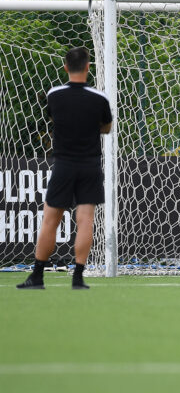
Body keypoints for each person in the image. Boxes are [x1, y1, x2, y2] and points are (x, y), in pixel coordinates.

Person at [17, 46, 113, 290]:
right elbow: (107, 128)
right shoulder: (99, 98)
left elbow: (53, 118)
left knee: (50, 220)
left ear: (66, 67)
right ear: (88, 67)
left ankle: (37, 276)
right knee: (85, 220)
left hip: (64, 164)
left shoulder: (54, 94)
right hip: (89, 164)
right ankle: (78, 277)